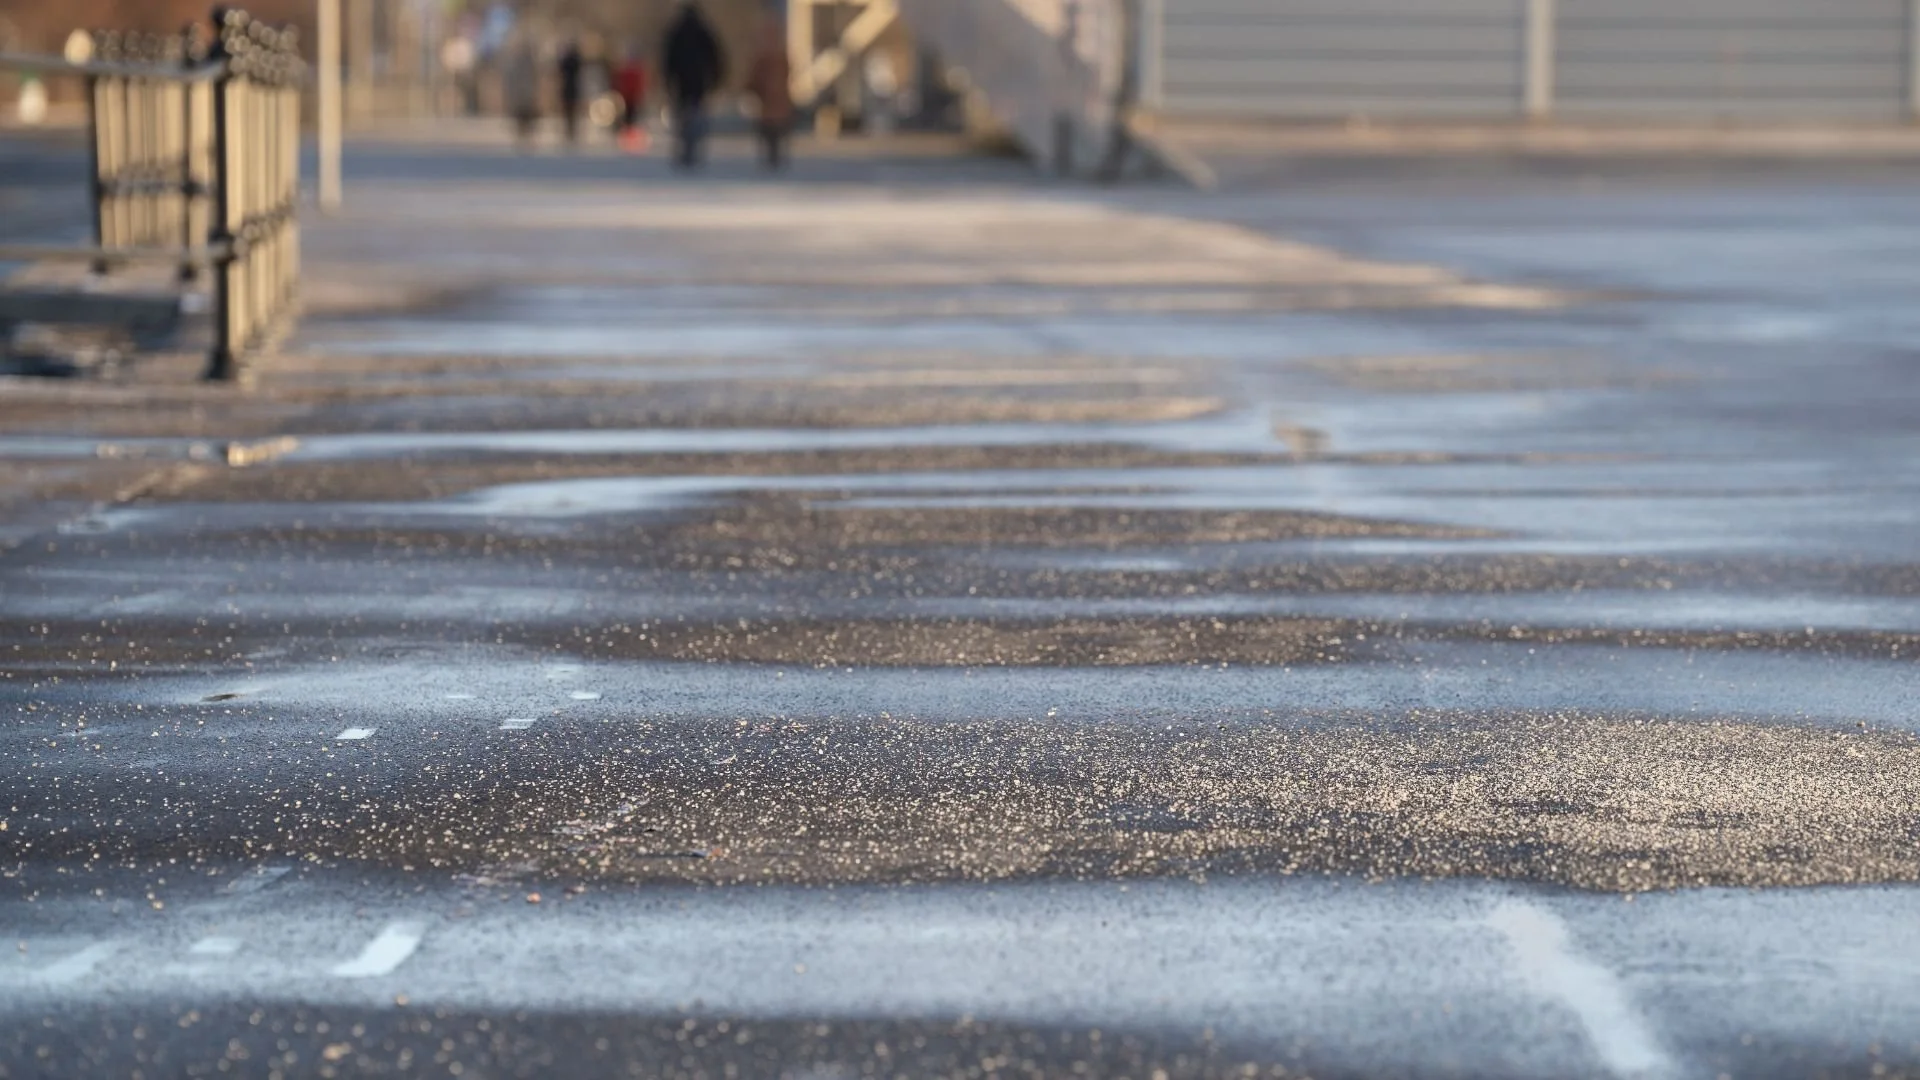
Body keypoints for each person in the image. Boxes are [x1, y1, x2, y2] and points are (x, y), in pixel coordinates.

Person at [661, 1, 725, 168]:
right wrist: (716, 79)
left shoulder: (676, 31)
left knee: (684, 118)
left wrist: (668, 80)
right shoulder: (703, 31)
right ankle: (693, 148)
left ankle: (685, 149)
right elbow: (716, 57)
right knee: (696, 116)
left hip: (682, 84)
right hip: (699, 83)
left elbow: (668, 60)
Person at [746, 21, 792, 170]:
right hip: (774, 102)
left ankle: (772, 157)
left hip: (768, 102)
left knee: (770, 130)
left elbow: (753, 78)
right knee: (774, 130)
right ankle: (774, 157)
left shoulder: (765, 57)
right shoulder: (780, 56)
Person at [503, 36, 542, 150]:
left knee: (527, 116)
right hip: (521, 94)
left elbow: (534, 79)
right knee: (521, 116)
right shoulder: (516, 63)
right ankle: (522, 136)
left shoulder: (530, 63)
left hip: (526, 94)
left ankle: (527, 136)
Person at [613, 45, 650, 153]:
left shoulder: (635, 70)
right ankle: (628, 139)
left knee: (633, 118)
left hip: (634, 96)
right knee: (629, 117)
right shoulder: (628, 70)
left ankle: (632, 139)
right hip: (627, 97)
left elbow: (640, 84)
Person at [557, 38, 586, 146]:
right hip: (569, 88)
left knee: (571, 112)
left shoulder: (573, 61)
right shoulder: (574, 61)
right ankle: (570, 131)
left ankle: (571, 131)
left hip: (571, 88)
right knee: (569, 112)